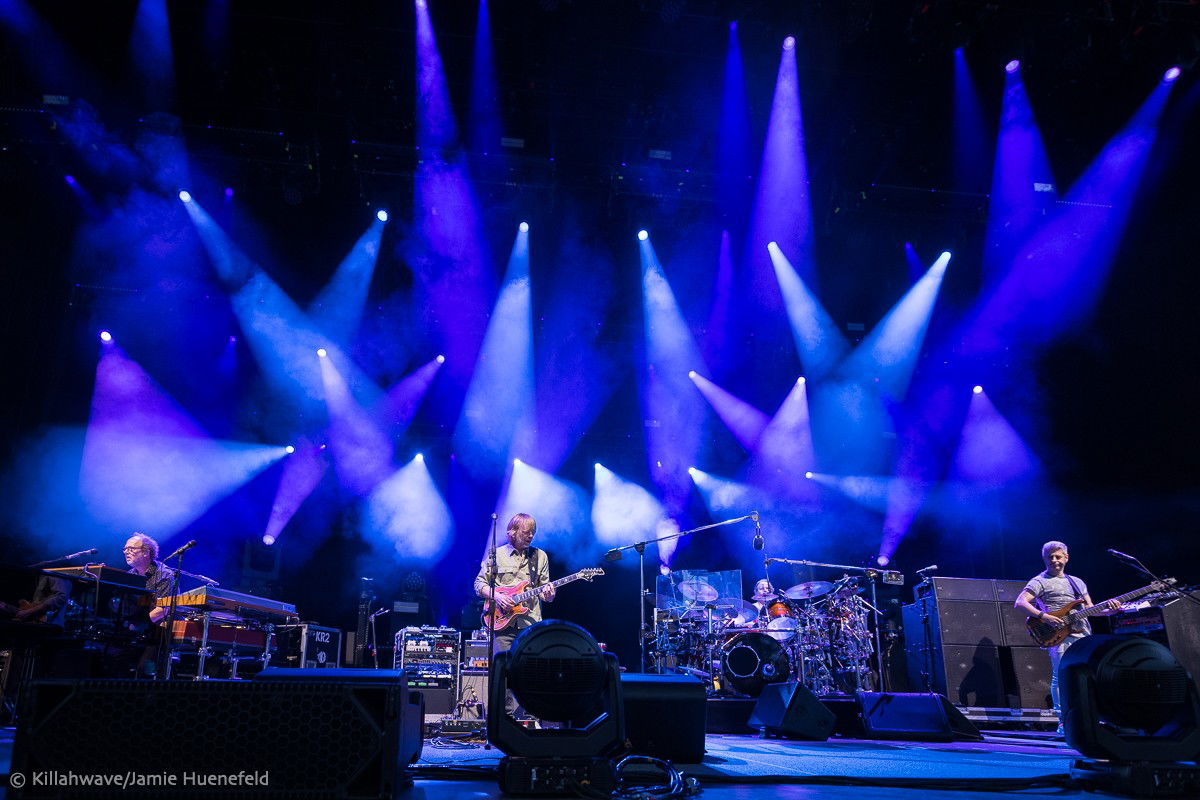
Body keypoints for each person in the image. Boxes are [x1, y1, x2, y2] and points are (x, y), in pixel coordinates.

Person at [1014, 540, 1116, 733]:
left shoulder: (1077, 582)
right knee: (1060, 676)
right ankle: (1064, 721)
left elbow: (1090, 609)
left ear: (1066, 558)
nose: (1054, 560)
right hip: (1058, 635)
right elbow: (1020, 603)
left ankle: (1090, 716)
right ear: (1044, 559)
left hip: (1083, 633)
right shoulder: (1039, 581)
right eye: (1050, 557)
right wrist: (1044, 616)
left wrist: (1110, 610)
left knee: (1089, 675)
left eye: (1058, 556)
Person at [474, 513, 555, 715]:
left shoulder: (540, 556)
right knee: (504, 672)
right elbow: (479, 584)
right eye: (526, 532)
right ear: (512, 532)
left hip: (530, 623)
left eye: (533, 532)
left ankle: (530, 716)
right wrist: (498, 596)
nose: (530, 536)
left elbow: (545, 593)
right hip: (503, 624)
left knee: (531, 671)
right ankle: (505, 718)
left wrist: (549, 595)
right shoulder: (496, 554)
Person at [123, 533, 177, 624]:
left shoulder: (165, 575)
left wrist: (137, 624)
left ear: (146, 552)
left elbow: (163, 609)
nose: (126, 552)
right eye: (125, 549)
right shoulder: (130, 575)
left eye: (131, 548)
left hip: (157, 629)